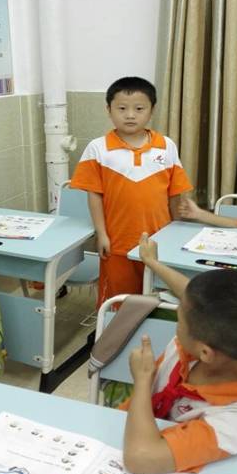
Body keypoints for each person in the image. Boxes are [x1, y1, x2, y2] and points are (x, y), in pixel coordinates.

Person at [121, 233, 237, 474]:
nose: (178, 324)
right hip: (133, 429)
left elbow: (142, 460)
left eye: (180, 321)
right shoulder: (224, 339)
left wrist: (143, 380)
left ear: (205, 352)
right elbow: (191, 296)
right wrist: (152, 262)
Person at [70, 77, 193, 307]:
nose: (130, 115)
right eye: (122, 108)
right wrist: (102, 234)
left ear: (151, 110)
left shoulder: (166, 145)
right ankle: (115, 330)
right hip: (117, 243)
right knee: (118, 303)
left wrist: (176, 233)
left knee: (155, 300)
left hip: (159, 242)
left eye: (139, 109)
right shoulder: (98, 148)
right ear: (109, 110)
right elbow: (94, 196)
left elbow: (175, 194)